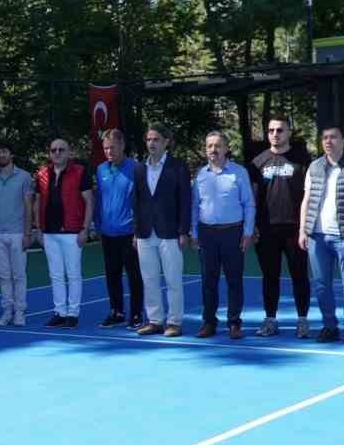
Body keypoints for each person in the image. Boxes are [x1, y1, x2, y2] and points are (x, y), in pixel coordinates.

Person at [298, 127, 344, 344]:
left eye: (333, 137)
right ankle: (329, 326)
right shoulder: (314, 166)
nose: (328, 141)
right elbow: (306, 200)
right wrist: (302, 230)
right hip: (317, 236)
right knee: (321, 285)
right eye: (325, 138)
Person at [250, 116, 312, 337]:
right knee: (270, 276)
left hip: (295, 229)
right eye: (271, 130)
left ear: (289, 133)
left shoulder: (302, 160)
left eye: (280, 130)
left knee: (299, 276)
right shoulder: (257, 162)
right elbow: (253, 199)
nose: (275, 134)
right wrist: (252, 226)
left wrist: (306, 227)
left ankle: (302, 321)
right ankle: (270, 320)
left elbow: (309, 195)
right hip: (267, 230)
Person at [191, 131, 256, 339]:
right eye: (209, 146)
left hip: (232, 233)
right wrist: (194, 233)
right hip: (207, 234)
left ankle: (234, 323)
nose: (213, 149)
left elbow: (249, 204)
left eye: (218, 145)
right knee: (208, 281)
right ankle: (209, 323)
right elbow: (195, 207)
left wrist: (247, 232)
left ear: (226, 148)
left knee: (234, 281)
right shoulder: (200, 175)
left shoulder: (239, 172)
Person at [133, 124, 192, 337]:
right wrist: (136, 232)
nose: (151, 143)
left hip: (170, 232)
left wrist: (183, 231)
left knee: (173, 279)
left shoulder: (178, 167)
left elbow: (185, 201)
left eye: (156, 139)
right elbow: (136, 202)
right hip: (144, 232)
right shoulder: (139, 168)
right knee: (149, 279)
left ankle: (174, 322)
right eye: (149, 139)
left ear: (166, 142)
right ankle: (155, 321)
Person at [32, 138, 94, 328]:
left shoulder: (80, 172)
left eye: (61, 149)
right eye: (53, 150)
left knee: (73, 274)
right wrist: (38, 228)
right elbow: (37, 202)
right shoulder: (42, 174)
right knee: (56, 275)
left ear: (68, 152)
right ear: (49, 153)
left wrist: (85, 229)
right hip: (49, 232)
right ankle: (60, 312)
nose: (57, 153)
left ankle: (73, 314)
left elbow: (89, 201)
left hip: (73, 231)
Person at [92, 130, 144, 329]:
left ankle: (137, 313)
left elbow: (142, 202)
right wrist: (98, 225)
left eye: (112, 147)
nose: (109, 152)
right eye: (105, 148)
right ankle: (117, 312)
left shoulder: (137, 168)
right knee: (112, 275)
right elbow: (99, 199)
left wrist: (138, 230)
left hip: (130, 233)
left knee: (134, 275)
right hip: (107, 233)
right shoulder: (101, 170)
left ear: (122, 145)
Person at [0, 141, 33, 327]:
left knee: (19, 275)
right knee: (3, 275)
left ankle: (20, 311)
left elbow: (28, 206)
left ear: (11, 155)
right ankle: (7, 311)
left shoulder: (24, 176)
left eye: (4, 152)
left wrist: (27, 233)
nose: (1, 155)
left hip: (18, 232)